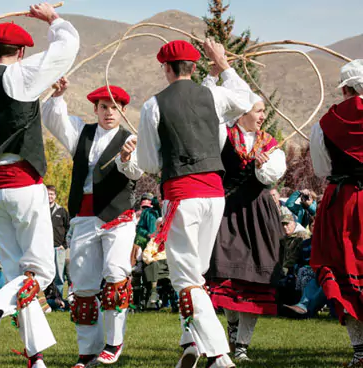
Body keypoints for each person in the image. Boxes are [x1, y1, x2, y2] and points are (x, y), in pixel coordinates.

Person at [0, 4, 79, 368]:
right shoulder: (21, 75)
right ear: (22, 53)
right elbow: (67, 47)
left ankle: (36, 358)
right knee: (41, 273)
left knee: (17, 275)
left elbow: (14, 116)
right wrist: (52, 20)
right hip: (22, 186)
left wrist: (49, 94)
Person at [136, 39, 258, 368]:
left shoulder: (153, 105)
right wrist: (224, 65)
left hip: (181, 195)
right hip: (214, 194)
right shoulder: (214, 95)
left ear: (166, 68)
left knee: (185, 278)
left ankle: (219, 356)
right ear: (194, 67)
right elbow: (247, 100)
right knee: (195, 273)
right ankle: (191, 342)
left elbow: (147, 162)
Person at [42, 78, 143, 367]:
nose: (109, 111)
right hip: (84, 215)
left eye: (114, 107)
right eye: (103, 107)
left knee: (115, 274)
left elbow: (136, 172)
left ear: (123, 110)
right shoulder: (81, 133)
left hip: (118, 215)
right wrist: (58, 96)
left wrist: (125, 159)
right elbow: (54, 119)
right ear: (95, 109)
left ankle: (113, 342)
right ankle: (88, 351)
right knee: (83, 286)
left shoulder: (130, 138)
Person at [204, 83, 286, 361]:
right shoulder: (223, 136)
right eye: (258, 110)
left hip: (259, 214)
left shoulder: (269, 143)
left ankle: (241, 346)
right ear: (242, 112)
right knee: (229, 273)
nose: (262, 116)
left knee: (255, 278)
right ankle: (232, 325)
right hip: (228, 212)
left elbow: (271, 177)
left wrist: (263, 166)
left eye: (264, 111)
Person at [309, 59, 363, 367]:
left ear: (344, 89)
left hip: (343, 203)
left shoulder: (325, 124)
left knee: (344, 273)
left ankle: (360, 351)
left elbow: (321, 169)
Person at [47, 184, 70, 297]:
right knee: (45, 273)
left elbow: (69, 228)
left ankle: (59, 299)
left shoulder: (61, 211)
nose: (49, 196)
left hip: (58, 248)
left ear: (55, 196)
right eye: (47, 194)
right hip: (44, 248)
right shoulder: (41, 211)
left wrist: (64, 245)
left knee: (59, 276)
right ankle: (46, 300)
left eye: (51, 194)